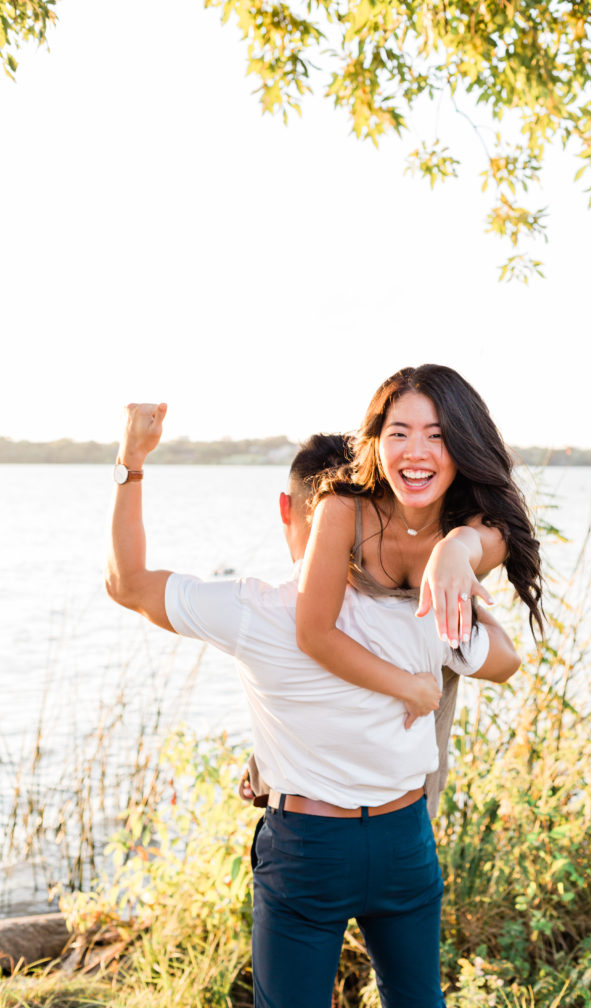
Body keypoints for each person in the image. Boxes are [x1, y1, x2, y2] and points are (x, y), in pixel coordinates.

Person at [106, 403, 521, 1008]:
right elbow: (505, 660)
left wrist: (131, 463)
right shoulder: (422, 607)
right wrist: (456, 575)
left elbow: (126, 583)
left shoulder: (253, 609)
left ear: (289, 511)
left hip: (308, 846)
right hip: (404, 838)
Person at [295, 364, 543, 710]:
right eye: (399, 434)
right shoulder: (343, 510)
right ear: (376, 441)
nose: (415, 452)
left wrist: (454, 548)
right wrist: (408, 688)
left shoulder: (483, 525)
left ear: (463, 445)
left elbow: (508, 665)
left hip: (421, 737)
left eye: (436, 435)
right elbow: (313, 634)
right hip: (346, 723)